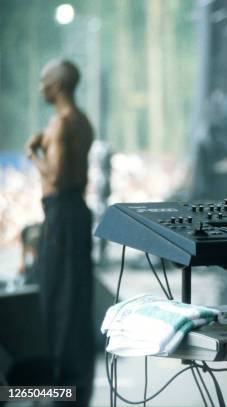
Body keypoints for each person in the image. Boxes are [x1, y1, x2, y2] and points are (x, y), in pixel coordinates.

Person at [25, 59, 95, 406]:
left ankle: (58, 387)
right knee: (74, 296)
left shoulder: (61, 123)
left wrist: (33, 152)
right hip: (75, 214)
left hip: (62, 216)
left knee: (57, 298)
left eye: (43, 80)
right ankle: (75, 383)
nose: (40, 87)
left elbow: (54, 178)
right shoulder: (81, 121)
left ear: (57, 84)